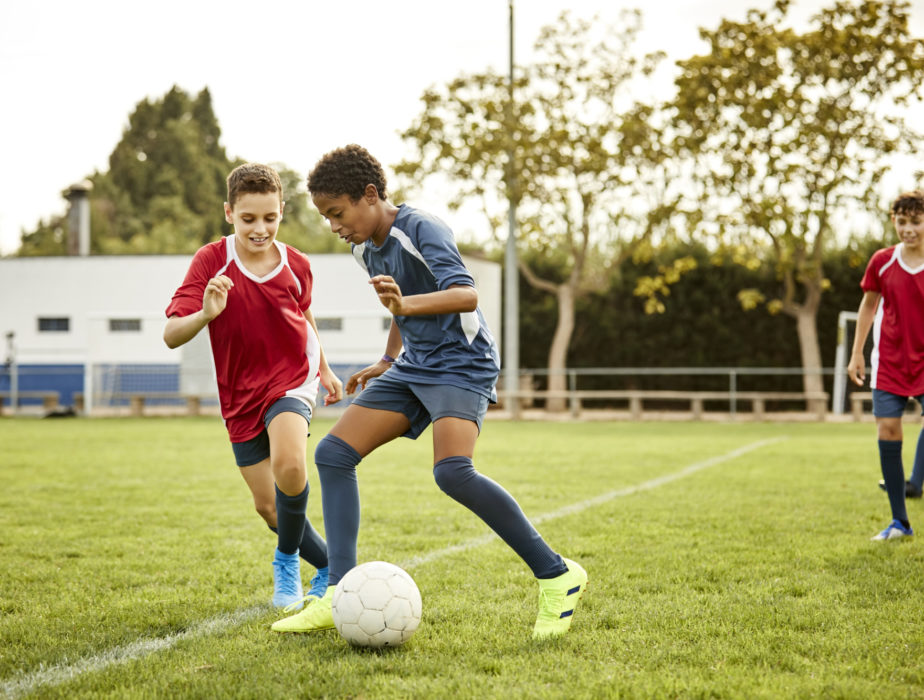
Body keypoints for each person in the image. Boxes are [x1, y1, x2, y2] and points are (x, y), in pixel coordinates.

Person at [271, 144, 586, 640]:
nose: (334, 226)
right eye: (327, 217)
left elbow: (466, 294)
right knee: (333, 454)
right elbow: (399, 305)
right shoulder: (362, 247)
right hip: (414, 364)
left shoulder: (421, 227)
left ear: (370, 195)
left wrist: (407, 305)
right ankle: (339, 591)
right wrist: (387, 360)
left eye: (337, 212)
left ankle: (557, 574)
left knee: (453, 473)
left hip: (462, 363)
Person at [164, 163, 343, 608]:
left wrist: (324, 368)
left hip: (290, 381)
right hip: (239, 394)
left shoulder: (297, 263)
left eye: (270, 217)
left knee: (290, 464)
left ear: (282, 211)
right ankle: (327, 565)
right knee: (268, 507)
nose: (260, 228)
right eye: (248, 219)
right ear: (229, 213)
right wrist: (206, 313)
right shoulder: (210, 261)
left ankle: (285, 562)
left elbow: (304, 316)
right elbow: (171, 335)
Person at [847, 189, 924, 541]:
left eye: (917, 222)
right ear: (894, 221)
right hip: (889, 362)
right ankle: (900, 522)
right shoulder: (882, 261)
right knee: (888, 432)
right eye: (903, 222)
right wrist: (857, 352)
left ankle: (916, 481)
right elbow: (867, 305)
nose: (909, 229)